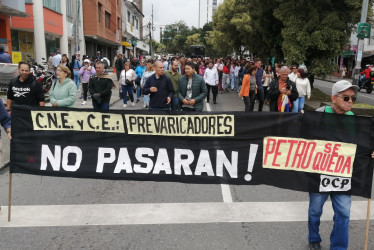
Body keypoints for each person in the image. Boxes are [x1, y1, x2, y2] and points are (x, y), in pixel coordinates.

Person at [308, 80, 374, 250]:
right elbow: (304, 139)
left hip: (342, 175)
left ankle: (338, 247)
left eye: (353, 98)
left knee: (344, 212)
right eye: (346, 97)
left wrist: (370, 151)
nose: (351, 101)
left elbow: (361, 143)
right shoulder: (320, 114)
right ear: (334, 98)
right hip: (319, 174)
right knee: (315, 210)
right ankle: (314, 238)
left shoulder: (354, 120)